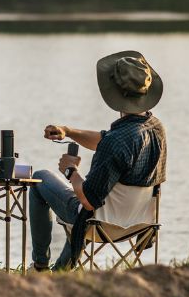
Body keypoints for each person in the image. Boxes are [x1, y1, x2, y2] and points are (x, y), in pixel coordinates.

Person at [29, 50, 167, 271]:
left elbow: (88, 200)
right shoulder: (155, 129)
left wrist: (70, 170)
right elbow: (105, 141)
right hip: (138, 223)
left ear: (114, 94)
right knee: (90, 205)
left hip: (100, 224)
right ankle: (60, 273)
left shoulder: (117, 141)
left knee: (40, 179)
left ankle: (40, 267)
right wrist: (68, 131)